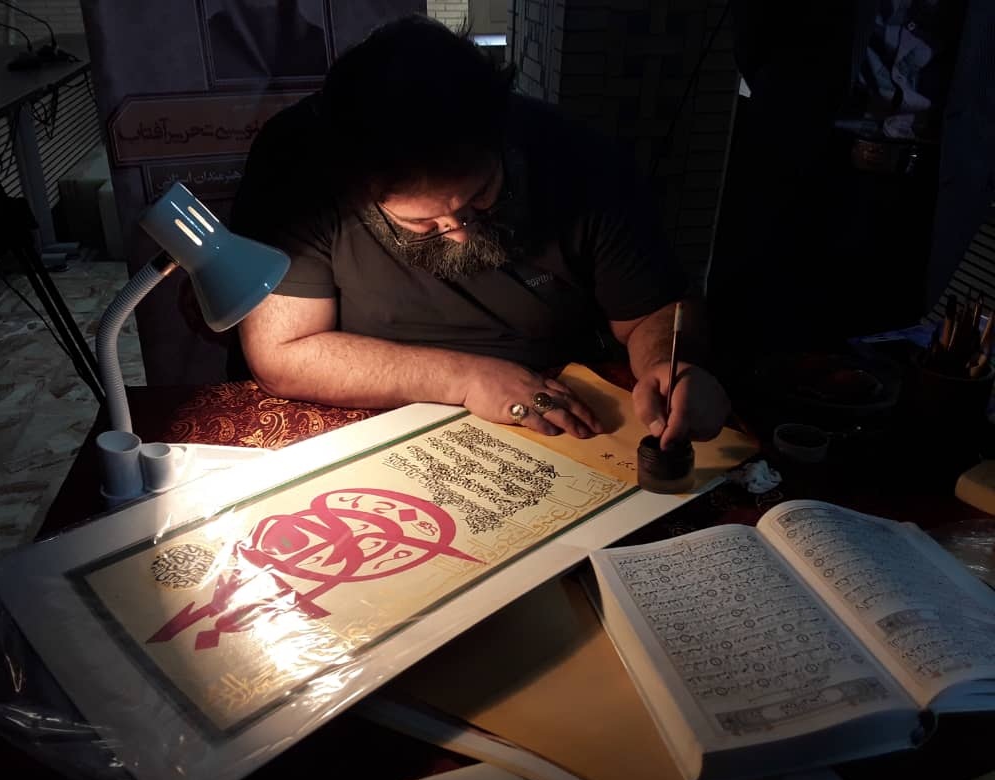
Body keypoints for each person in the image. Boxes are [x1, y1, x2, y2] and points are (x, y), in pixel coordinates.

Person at [230, 15, 730, 449]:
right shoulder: (299, 166)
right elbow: (282, 354)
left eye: (482, 198)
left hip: (554, 398)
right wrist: (464, 378)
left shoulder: (580, 159)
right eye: (422, 224)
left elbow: (653, 312)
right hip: (367, 407)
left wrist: (669, 364)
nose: (461, 234)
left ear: (501, 139)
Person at [708, 0, 993, 367]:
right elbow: (754, 29)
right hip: (802, 164)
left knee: (880, 364)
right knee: (755, 347)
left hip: (926, 196)